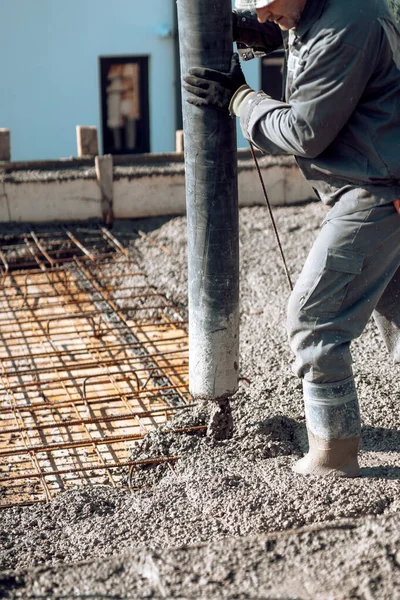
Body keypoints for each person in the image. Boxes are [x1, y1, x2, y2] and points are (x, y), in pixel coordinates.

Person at [183, 0, 400, 477]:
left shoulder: (349, 23)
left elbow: (305, 132)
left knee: (314, 319)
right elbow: (296, 31)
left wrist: (242, 99)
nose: (261, 16)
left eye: (268, 6)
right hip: (378, 182)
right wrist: (254, 29)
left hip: (376, 193)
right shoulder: (321, 11)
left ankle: (333, 454)